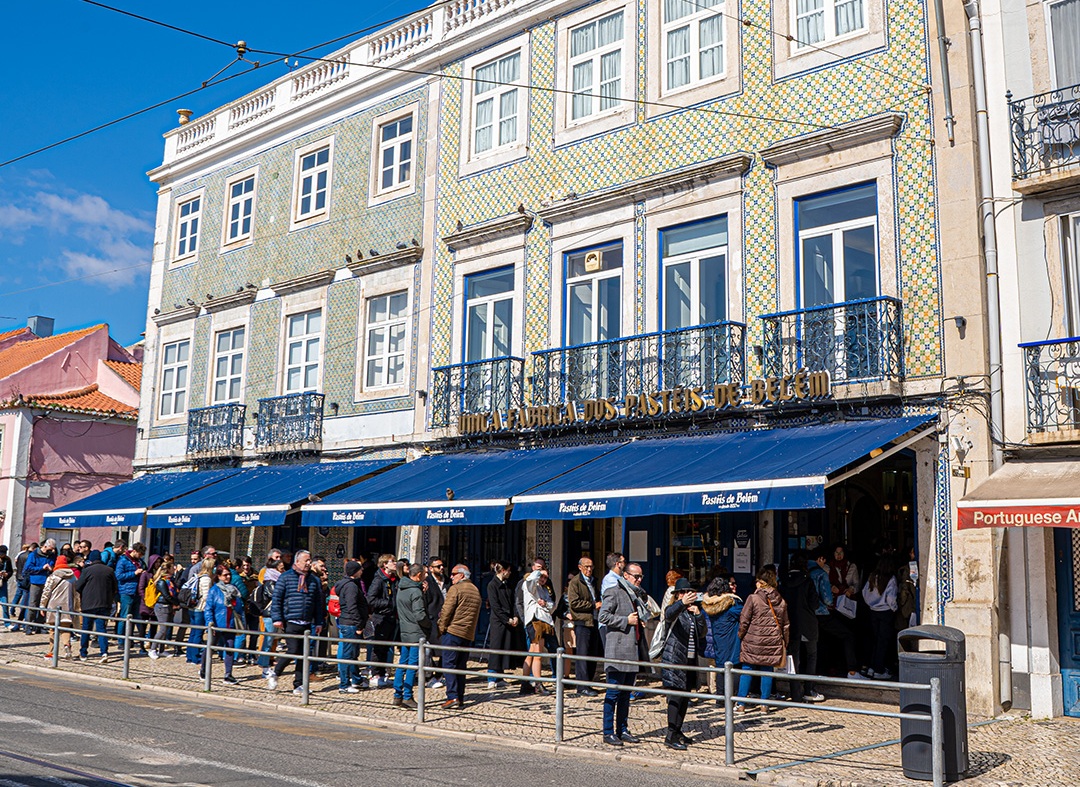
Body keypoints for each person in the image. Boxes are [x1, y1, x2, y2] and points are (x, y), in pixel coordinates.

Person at [267, 550, 325, 694]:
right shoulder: (286, 577)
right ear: (297, 561)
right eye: (306, 560)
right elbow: (277, 599)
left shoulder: (314, 580)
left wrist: (319, 622)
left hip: (307, 621)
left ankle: (298, 684)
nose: (308, 563)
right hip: (290, 620)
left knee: (304, 654)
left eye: (310, 560)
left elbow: (318, 603)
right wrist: (277, 618)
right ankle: (276, 672)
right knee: (293, 650)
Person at [598, 562, 643, 747]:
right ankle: (608, 732)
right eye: (636, 576)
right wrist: (626, 620)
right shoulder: (613, 591)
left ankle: (622, 729)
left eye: (641, 577)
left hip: (632, 649)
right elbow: (603, 616)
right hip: (617, 650)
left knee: (625, 695)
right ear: (626, 575)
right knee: (613, 693)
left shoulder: (636, 595)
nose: (639, 580)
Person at [660, 578, 707, 750]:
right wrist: (681, 603)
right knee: (675, 697)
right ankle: (670, 735)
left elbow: (702, 633)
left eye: (689, 592)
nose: (687, 595)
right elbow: (668, 614)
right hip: (675, 659)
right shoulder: (674, 609)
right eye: (683, 592)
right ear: (677, 595)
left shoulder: (691, 612)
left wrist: (699, 615)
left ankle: (678, 731)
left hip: (689, 660)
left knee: (685, 697)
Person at [736, 566, 790, 713]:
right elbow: (785, 624)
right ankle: (764, 704)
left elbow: (744, 620)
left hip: (753, 640)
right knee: (767, 670)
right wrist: (784, 641)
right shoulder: (781, 601)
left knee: (747, 669)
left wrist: (741, 635)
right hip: (772, 642)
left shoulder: (752, 598)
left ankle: (741, 703)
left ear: (761, 583)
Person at [810, 547, 861, 680]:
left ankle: (820, 670)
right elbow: (826, 597)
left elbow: (857, 584)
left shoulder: (851, 566)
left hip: (833, 609)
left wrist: (850, 589)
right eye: (836, 553)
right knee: (843, 636)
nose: (838, 555)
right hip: (827, 611)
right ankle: (850, 670)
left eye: (841, 552)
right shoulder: (821, 572)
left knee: (821, 641)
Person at [437, 563, 481, 709]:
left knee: (449, 664)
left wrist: (441, 627)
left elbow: (446, 610)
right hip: (467, 633)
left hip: (453, 631)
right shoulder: (475, 590)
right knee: (461, 666)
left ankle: (452, 696)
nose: (451, 576)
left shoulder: (455, 589)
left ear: (461, 575)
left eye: (453, 574)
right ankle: (460, 696)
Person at [780, 552, 822, 703]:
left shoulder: (784, 582)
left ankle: (795, 693)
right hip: (808, 624)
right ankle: (809, 689)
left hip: (791, 624)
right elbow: (814, 604)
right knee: (811, 656)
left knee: (793, 659)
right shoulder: (808, 582)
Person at [393, 562, 429, 709]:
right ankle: (407, 696)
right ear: (419, 574)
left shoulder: (402, 587)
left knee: (403, 662)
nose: (426, 576)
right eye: (425, 573)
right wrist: (430, 625)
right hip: (416, 632)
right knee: (412, 665)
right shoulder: (415, 592)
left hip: (404, 630)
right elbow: (419, 615)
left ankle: (397, 694)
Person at [74, 550, 117, 663]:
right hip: (104, 604)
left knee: (86, 629)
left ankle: (83, 653)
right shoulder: (109, 570)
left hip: (88, 604)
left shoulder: (87, 570)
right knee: (101, 629)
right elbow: (115, 587)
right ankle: (104, 653)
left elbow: (78, 586)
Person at [334, 560, 369, 694]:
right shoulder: (351, 587)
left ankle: (356, 679)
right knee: (347, 654)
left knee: (353, 653)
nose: (362, 571)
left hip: (349, 623)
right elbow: (351, 606)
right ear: (355, 572)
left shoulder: (349, 585)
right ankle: (344, 684)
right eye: (360, 569)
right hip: (350, 624)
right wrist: (359, 623)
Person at [203, 564, 242, 685]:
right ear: (219, 576)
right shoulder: (214, 590)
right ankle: (203, 671)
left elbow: (239, 607)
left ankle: (228, 674)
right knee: (210, 647)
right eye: (225, 575)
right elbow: (208, 608)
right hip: (217, 624)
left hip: (230, 622)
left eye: (229, 574)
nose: (228, 577)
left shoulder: (234, 589)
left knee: (229, 647)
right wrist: (210, 622)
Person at [567, 556, 601, 696]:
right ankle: (582, 685)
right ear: (580, 567)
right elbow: (574, 603)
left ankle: (589, 682)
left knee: (592, 652)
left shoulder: (593, 581)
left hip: (594, 620)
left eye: (591, 567)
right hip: (582, 621)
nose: (589, 569)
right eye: (586, 567)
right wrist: (593, 605)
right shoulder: (575, 582)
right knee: (583, 653)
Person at [521, 565, 555, 697]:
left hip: (543, 622)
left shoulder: (544, 589)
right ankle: (538, 684)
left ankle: (524, 684)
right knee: (538, 655)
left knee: (531, 654)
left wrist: (545, 604)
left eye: (546, 577)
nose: (543, 579)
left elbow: (551, 604)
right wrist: (539, 572)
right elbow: (531, 579)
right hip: (534, 622)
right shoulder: (530, 585)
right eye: (542, 576)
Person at [862, 556, 899, 680]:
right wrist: (894, 608)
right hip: (885, 612)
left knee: (876, 640)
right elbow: (891, 598)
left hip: (873, 612)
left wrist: (871, 604)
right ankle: (879, 669)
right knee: (883, 641)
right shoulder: (891, 579)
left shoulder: (873, 576)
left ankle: (872, 667)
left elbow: (864, 592)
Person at [365, 554, 398, 688]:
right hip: (381, 617)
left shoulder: (394, 579)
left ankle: (383, 674)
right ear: (385, 564)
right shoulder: (378, 580)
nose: (395, 564)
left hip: (391, 617)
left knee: (386, 647)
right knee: (378, 647)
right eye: (392, 561)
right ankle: (375, 673)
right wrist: (388, 603)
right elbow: (371, 599)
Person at [702, 573, 743, 682]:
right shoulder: (733, 606)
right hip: (731, 646)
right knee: (734, 672)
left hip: (716, 644)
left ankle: (720, 698)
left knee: (720, 670)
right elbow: (746, 614)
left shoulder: (707, 606)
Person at [485, 560, 517, 689]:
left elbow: (513, 601)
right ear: (503, 570)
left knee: (504, 647)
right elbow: (495, 606)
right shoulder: (492, 585)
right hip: (498, 621)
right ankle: (492, 676)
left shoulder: (508, 584)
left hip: (508, 619)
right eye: (508, 570)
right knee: (496, 647)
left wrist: (514, 616)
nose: (509, 573)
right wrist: (506, 619)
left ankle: (500, 676)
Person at [41, 555, 78, 659]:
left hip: (53, 606)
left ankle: (52, 652)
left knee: (52, 630)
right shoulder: (73, 577)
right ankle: (67, 648)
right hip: (67, 605)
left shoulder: (53, 577)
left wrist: (42, 605)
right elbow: (76, 594)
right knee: (65, 628)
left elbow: (46, 592)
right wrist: (76, 607)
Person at [422, 556, 449, 688]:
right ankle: (429, 677)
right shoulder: (427, 583)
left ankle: (439, 674)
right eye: (438, 566)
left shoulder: (448, 581)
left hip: (446, 620)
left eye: (442, 565)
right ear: (431, 568)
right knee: (430, 650)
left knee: (445, 648)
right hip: (432, 620)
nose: (442, 568)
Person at [148, 556, 182, 659]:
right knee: (162, 629)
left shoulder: (170, 580)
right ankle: (152, 649)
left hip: (169, 606)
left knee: (166, 629)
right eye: (172, 567)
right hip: (161, 606)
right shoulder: (161, 582)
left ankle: (161, 650)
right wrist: (176, 602)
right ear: (168, 569)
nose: (174, 569)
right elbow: (167, 595)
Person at [186, 555, 216, 664]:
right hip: (200, 608)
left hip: (193, 608)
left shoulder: (197, 576)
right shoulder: (207, 579)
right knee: (198, 633)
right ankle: (195, 657)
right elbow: (207, 597)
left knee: (193, 632)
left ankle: (189, 656)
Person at [23, 539, 56, 634]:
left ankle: (40, 625)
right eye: (51, 548)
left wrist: (51, 568)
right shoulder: (33, 555)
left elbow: (53, 564)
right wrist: (41, 568)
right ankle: (28, 626)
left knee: (44, 604)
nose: (52, 551)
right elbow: (28, 568)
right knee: (33, 604)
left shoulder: (51, 555)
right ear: (45, 546)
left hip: (47, 582)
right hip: (36, 582)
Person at [0, 545, 12, 628]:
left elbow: (10, 571)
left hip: (3, 583)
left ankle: (7, 623)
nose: (3, 555)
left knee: (5, 603)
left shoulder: (7, 560)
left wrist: (7, 574)